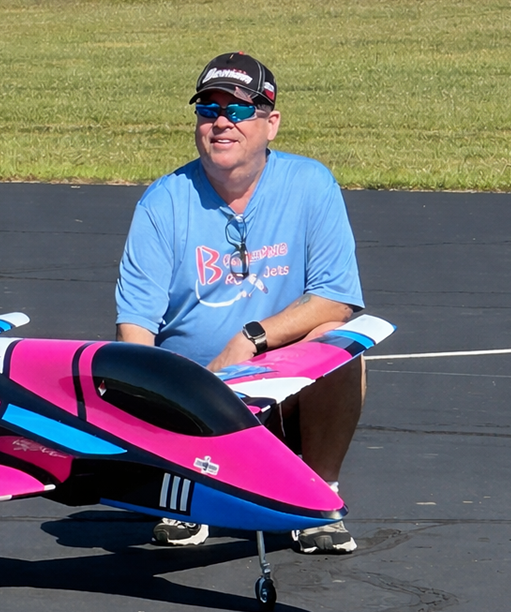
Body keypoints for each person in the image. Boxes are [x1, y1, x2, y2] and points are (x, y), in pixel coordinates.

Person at [114, 52, 365, 554]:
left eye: (240, 109)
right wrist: (158, 395)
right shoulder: (163, 202)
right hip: (193, 391)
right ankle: (181, 488)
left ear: (271, 123)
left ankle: (317, 499)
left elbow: (336, 300)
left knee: (340, 345)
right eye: (208, 108)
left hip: (281, 383)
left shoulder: (311, 184)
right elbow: (135, 324)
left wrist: (250, 341)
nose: (222, 121)